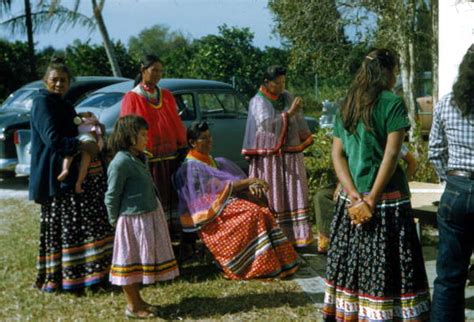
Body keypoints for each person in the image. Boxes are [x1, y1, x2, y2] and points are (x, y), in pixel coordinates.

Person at [322, 48, 431, 320]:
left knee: (352, 265)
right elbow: (392, 156)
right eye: (395, 70)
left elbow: (337, 154)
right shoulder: (391, 103)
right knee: (389, 267)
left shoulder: (348, 102)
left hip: (352, 203)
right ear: (388, 70)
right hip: (387, 202)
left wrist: (353, 194)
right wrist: (371, 199)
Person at [29, 57, 114, 292]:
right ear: (46, 80)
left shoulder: (62, 103)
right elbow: (53, 139)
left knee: (83, 227)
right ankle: (70, 279)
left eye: (63, 80)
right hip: (57, 175)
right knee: (68, 228)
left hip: (72, 173)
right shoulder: (42, 103)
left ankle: (91, 276)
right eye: (54, 80)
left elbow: (74, 126)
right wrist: (80, 145)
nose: (59, 84)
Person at [175, 121, 299, 280]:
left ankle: (277, 262)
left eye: (210, 137)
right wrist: (249, 181)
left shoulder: (211, 160)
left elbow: (229, 184)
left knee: (262, 210)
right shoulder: (192, 166)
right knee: (253, 213)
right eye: (204, 138)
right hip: (210, 214)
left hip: (223, 202)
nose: (209, 141)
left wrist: (250, 186)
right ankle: (248, 266)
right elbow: (219, 187)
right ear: (192, 143)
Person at [105, 115, 179, 319]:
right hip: (131, 219)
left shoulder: (139, 157)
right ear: (129, 136)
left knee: (137, 262)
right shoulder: (120, 162)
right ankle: (132, 306)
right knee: (128, 263)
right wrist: (115, 221)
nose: (147, 138)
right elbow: (111, 195)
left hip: (147, 215)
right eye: (143, 134)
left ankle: (138, 301)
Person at [242, 66, 314, 248]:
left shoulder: (286, 96)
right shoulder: (258, 101)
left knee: (292, 187)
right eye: (278, 82)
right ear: (266, 82)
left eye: (284, 82)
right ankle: (275, 236)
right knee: (274, 190)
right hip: (270, 153)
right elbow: (267, 124)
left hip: (289, 150)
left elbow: (297, 120)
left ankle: (296, 237)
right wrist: (289, 113)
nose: (281, 86)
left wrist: (295, 115)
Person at [428, 44, 474, 321]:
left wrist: (451, 182)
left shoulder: (445, 102)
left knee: (449, 276)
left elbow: (435, 151)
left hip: (456, 189)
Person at [120, 54, 186, 218]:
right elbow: (128, 128)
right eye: (154, 70)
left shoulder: (167, 95)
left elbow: (176, 122)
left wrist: (182, 144)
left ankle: (174, 232)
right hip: (149, 158)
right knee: (155, 196)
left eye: (160, 71)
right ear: (143, 70)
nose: (158, 74)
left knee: (173, 194)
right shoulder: (132, 97)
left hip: (171, 156)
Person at [57, 111, 104, 194]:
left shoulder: (93, 125)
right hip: (85, 142)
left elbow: (99, 136)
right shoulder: (85, 123)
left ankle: (68, 172)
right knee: (80, 161)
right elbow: (99, 137)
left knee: (72, 155)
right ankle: (75, 179)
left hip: (85, 142)